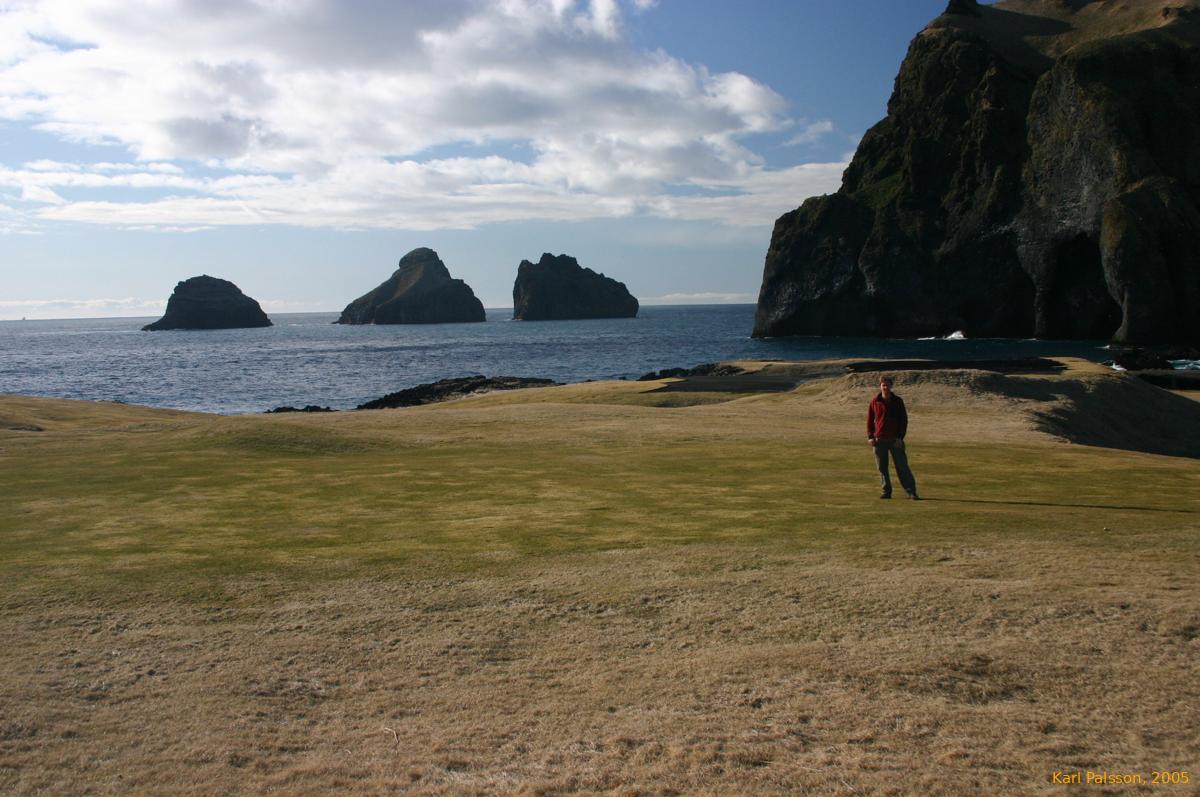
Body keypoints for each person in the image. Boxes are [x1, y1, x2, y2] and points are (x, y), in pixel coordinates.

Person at [867, 375, 920, 500]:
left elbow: (904, 421)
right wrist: (870, 436)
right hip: (879, 440)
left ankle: (911, 491)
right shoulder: (875, 401)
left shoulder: (898, 401)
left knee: (902, 467)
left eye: (887, 385)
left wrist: (900, 438)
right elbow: (870, 420)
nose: (885, 387)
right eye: (883, 385)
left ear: (891, 386)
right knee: (882, 468)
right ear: (880, 386)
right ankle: (886, 491)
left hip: (895, 440)